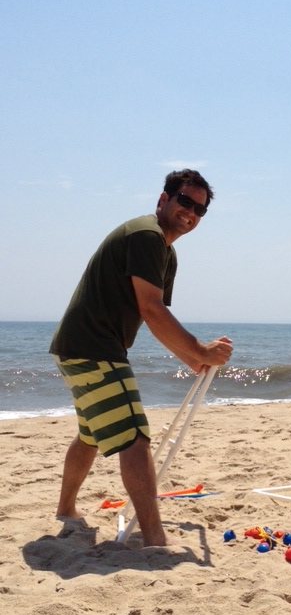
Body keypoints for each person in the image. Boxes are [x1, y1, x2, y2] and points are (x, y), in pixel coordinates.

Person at [50, 169, 233, 547]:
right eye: (185, 201)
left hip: (79, 345)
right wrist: (200, 350)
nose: (191, 212)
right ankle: (153, 538)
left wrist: (190, 360)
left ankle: (66, 509)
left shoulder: (165, 252)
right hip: (92, 348)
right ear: (163, 199)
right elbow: (151, 309)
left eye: (200, 209)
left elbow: (153, 318)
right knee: (134, 438)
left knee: (90, 436)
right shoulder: (147, 236)